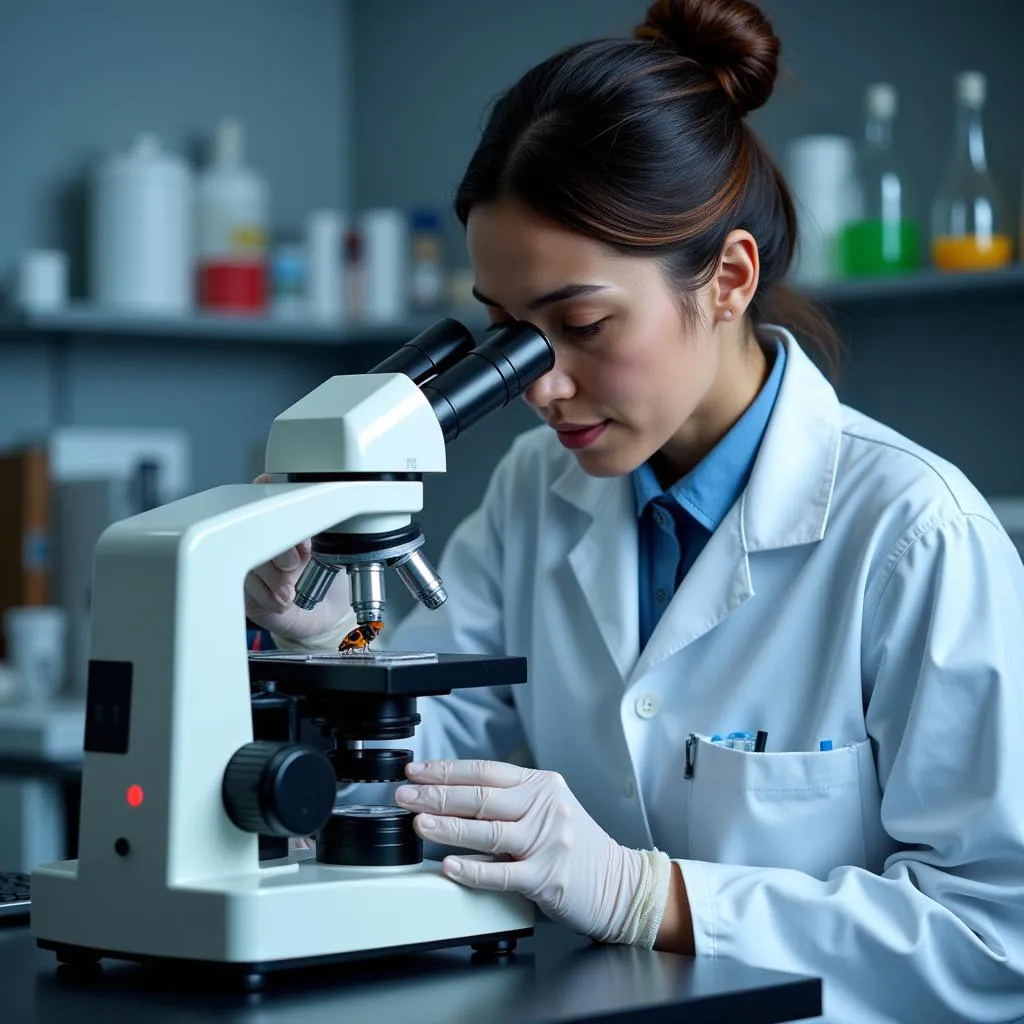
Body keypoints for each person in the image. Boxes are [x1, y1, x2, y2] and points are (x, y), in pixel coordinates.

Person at [244, 1, 1024, 1020]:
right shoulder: (536, 489)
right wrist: (320, 636)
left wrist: (652, 895)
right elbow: (416, 755)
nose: (539, 384)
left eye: (579, 324)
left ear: (730, 278)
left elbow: (993, 938)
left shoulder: (916, 534)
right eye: (506, 334)